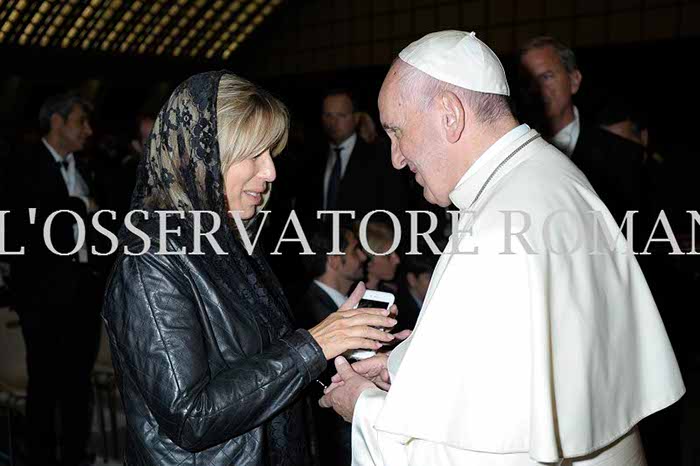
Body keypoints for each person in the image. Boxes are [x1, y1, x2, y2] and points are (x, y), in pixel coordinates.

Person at [319, 30, 684, 465]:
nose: (396, 158)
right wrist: (401, 365)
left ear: (450, 115)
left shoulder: (497, 228)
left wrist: (362, 408)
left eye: (397, 132)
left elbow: (475, 454)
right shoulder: (545, 175)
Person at [101, 72, 399, 465]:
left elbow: (256, 375)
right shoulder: (152, 261)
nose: (271, 172)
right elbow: (191, 417)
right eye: (253, 154)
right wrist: (315, 345)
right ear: (203, 155)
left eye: (271, 154)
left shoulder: (228, 242)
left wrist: (345, 370)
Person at [9, 92, 103, 466]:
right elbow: (30, 219)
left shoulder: (87, 167)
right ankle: (43, 458)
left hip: (83, 290)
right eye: (81, 122)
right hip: (43, 296)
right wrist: (82, 207)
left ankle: (76, 455)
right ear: (58, 122)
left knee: (80, 383)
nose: (89, 131)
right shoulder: (23, 166)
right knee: (45, 383)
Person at [518, 36, 646, 224]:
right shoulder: (514, 154)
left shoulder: (622, 155)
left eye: (547, 76)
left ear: (574, 80)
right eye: (528, 81)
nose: (537, 89)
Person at [297, 228, 369, 466]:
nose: (364, 257)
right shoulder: (307, 310)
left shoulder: (341, 303)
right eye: (356, 249)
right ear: (335, 260)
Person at [296, 89, 409, 230]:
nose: (333, 122)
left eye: (341, 115)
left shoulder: (380, 158)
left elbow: (395, 210)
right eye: (328, 115)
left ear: (356, 118)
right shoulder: (311, 159)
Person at [361, 221, 401, 293]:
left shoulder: (391, 293)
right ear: (367, 259)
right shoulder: (350, 297)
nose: (397, 260)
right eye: (388, 256)